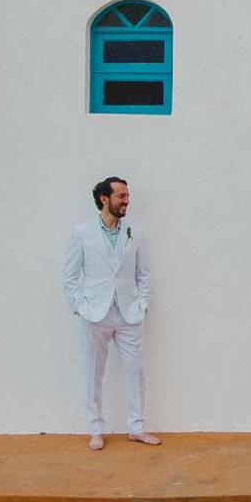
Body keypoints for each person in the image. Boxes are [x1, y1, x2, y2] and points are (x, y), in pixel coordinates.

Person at [62, 176, 160, 451]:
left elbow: (144, 273)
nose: (127, 201)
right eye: (121, 196)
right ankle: (95, 429)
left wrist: (143, 304)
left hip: (129, 313)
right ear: (104, 199)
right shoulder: (82, 233)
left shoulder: (135, 233)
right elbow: (70, 276)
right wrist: (80, 307)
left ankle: (136, 428)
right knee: (93, 372)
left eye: (128, 196)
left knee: (135, 370)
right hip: (95, 313)